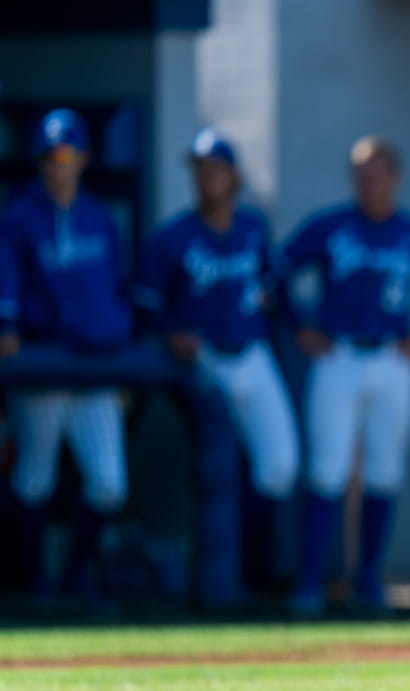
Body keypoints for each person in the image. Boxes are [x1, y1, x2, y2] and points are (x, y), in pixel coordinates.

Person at [283, 135, 410, 618]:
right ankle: (309, 583)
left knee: (384, 471)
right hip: (338, 355)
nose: (370, 183)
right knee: (326, 469)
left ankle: (368, 580)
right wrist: (301, 327)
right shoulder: (331, 226)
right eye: (362, 174)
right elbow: (276, 273)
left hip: (392, 359)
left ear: (397, 178)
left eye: (379, 173)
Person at [134, 128, 300, 596]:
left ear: (234, 177)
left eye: (216, 171)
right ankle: (219, 581)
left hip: (252, 352)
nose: (208, 179)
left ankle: (253, 572)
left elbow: (276, 290)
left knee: (280, 467)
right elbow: (145, 308)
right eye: (201, 171)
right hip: (204, 360)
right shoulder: (172, 236)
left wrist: (303, 326)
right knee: (219, 463)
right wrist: (172, 333)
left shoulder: (253, 228)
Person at [0, 109, 133, 602]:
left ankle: (76, 573)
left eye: (67, 155)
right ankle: (38, 579)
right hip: (44, 364)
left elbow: (117, 286)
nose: (59, 165)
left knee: (109, 483)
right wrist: (8, 324)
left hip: (96, 365)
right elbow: (6, 279)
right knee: (33, 480)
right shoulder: (18, 217)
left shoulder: (100, 218)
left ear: (83, 158)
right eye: (50, 156)